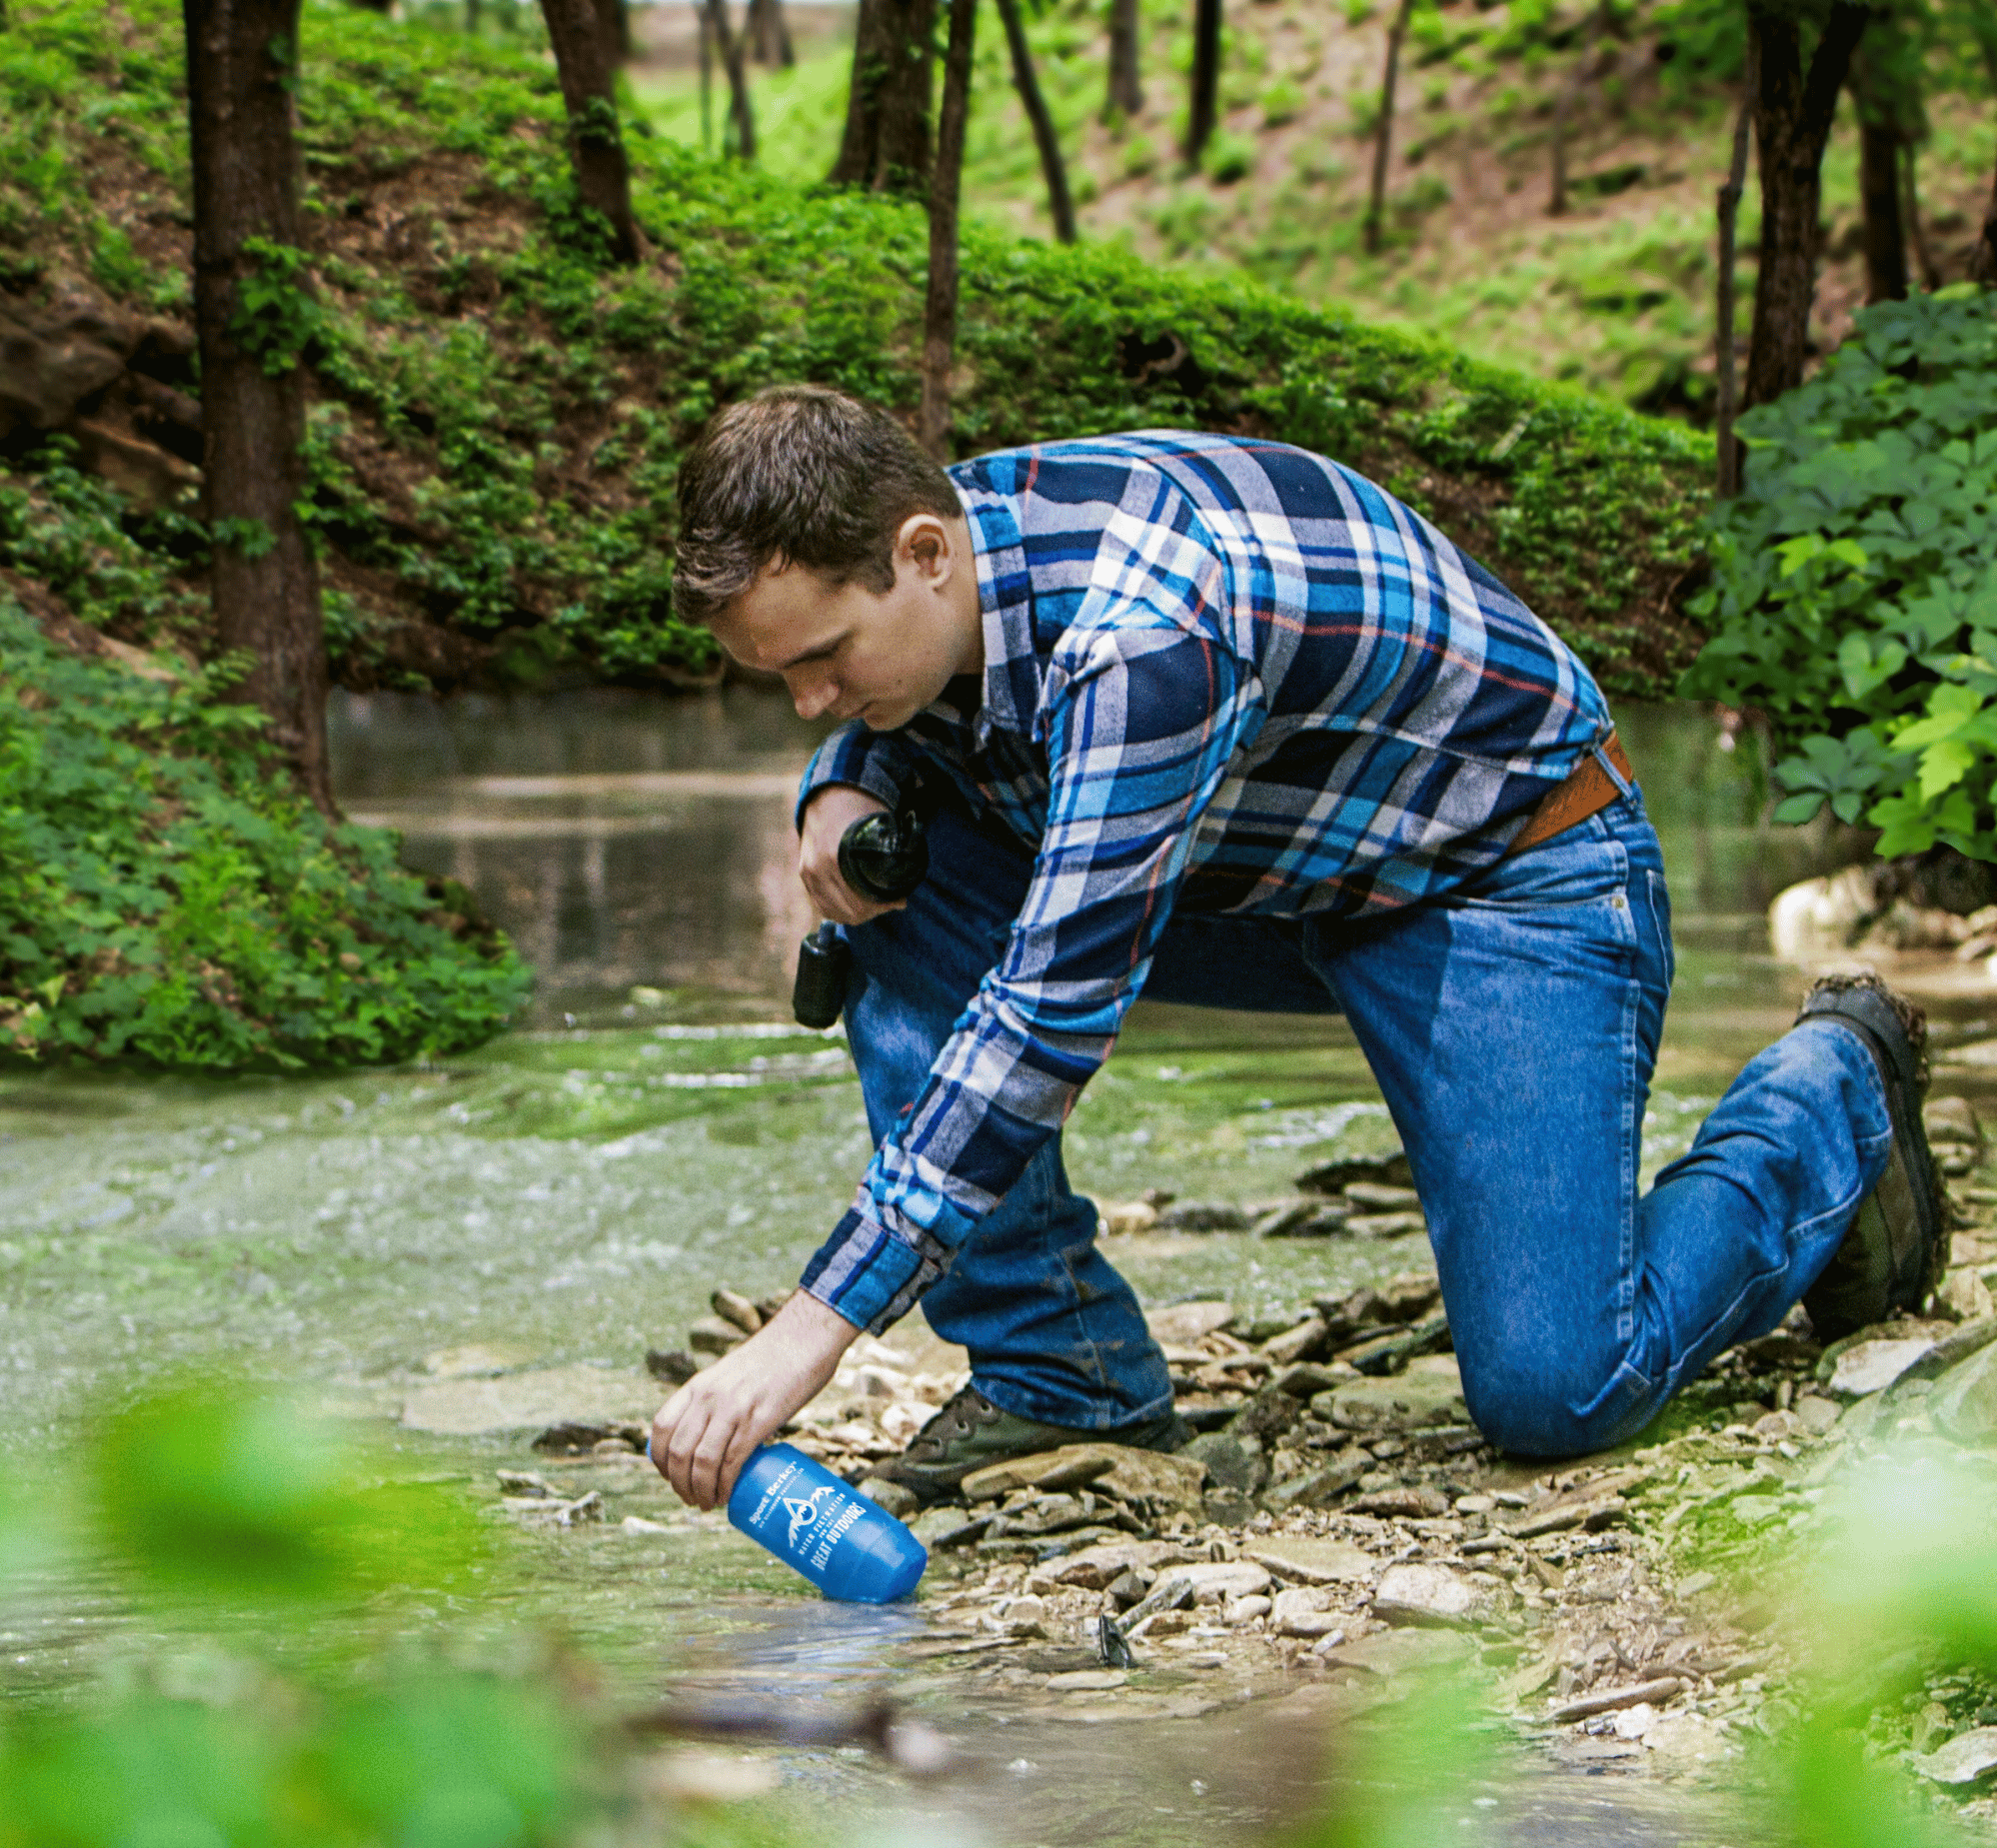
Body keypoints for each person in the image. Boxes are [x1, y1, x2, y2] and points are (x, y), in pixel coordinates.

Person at [646, 385, 1945, 1513]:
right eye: (784, 682)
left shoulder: (1147, 628)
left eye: (824, 663)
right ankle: (1065, 1374)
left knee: (1561, 1388)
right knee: (893, 888)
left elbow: (1047, 1020)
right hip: (1285, 874)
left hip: (1507, 876)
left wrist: (811, 1330)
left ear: (923, 552)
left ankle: (1830, 1093)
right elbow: (920, 732)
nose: (808, 702)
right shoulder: (951, 546)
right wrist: (843, 774)